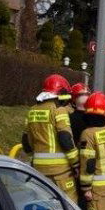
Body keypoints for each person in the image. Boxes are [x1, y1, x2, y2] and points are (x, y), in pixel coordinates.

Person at [22, 74, 79, 203]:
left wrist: (33, 158)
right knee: (69, 208)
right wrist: (76, 163)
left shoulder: (32, 111)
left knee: (46, 207)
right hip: (61, 171)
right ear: (60, 93)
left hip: (39, 170)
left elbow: (26, 141)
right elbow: (65, 138)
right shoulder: (58, 110)